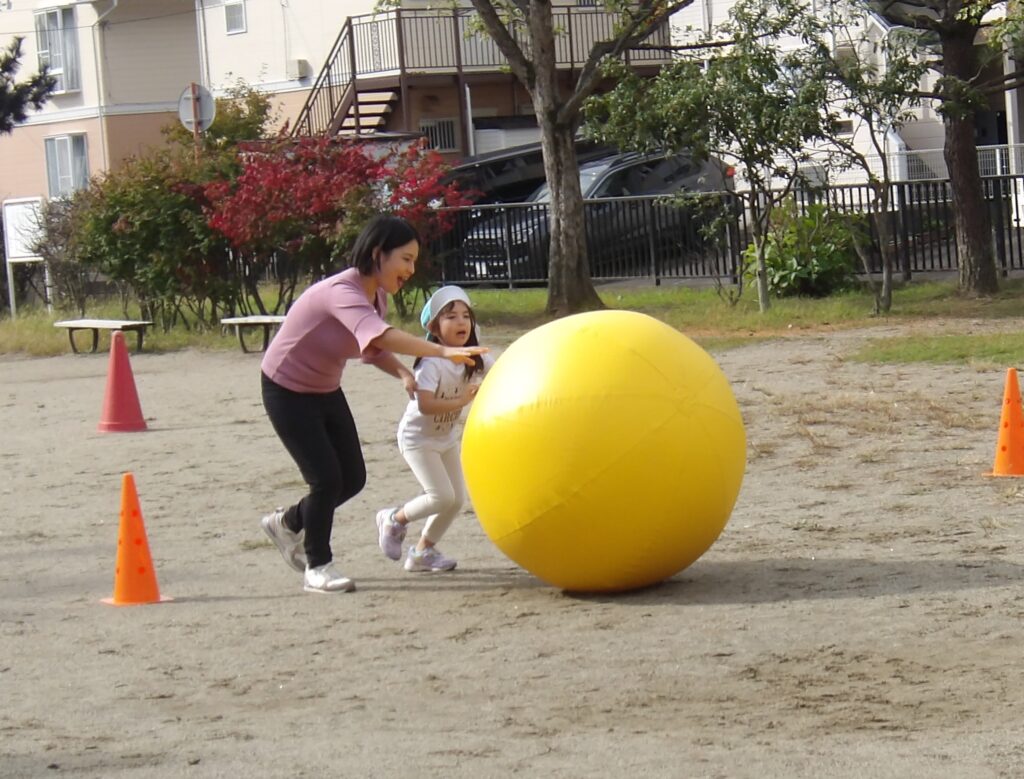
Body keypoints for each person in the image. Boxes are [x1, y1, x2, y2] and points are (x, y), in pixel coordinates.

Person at [259, 215, 487, 594]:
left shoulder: (375, 295)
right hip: (285, 389)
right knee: (326, 479)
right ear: (379, 254)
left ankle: (287, 523)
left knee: (352, 478)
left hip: (324, 388)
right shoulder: (343, 291)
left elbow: (371, 348)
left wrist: (402, 373)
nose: (410, 270)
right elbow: (381, 335)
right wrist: (443, 350)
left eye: (414, 261)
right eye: (406, 259)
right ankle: (318, 566)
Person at [375, 285, 494, 572]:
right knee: (441, 496)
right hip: (417, 440)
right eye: (451, 317)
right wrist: (462, 400)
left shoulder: (476, 357)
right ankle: (393, 519)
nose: (461, 322)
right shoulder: (431, 363)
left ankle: (421, 553)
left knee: (455, 500)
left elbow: (502, 371)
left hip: (445, 438)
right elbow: (425, 405)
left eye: (466, 315)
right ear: (435, 328)